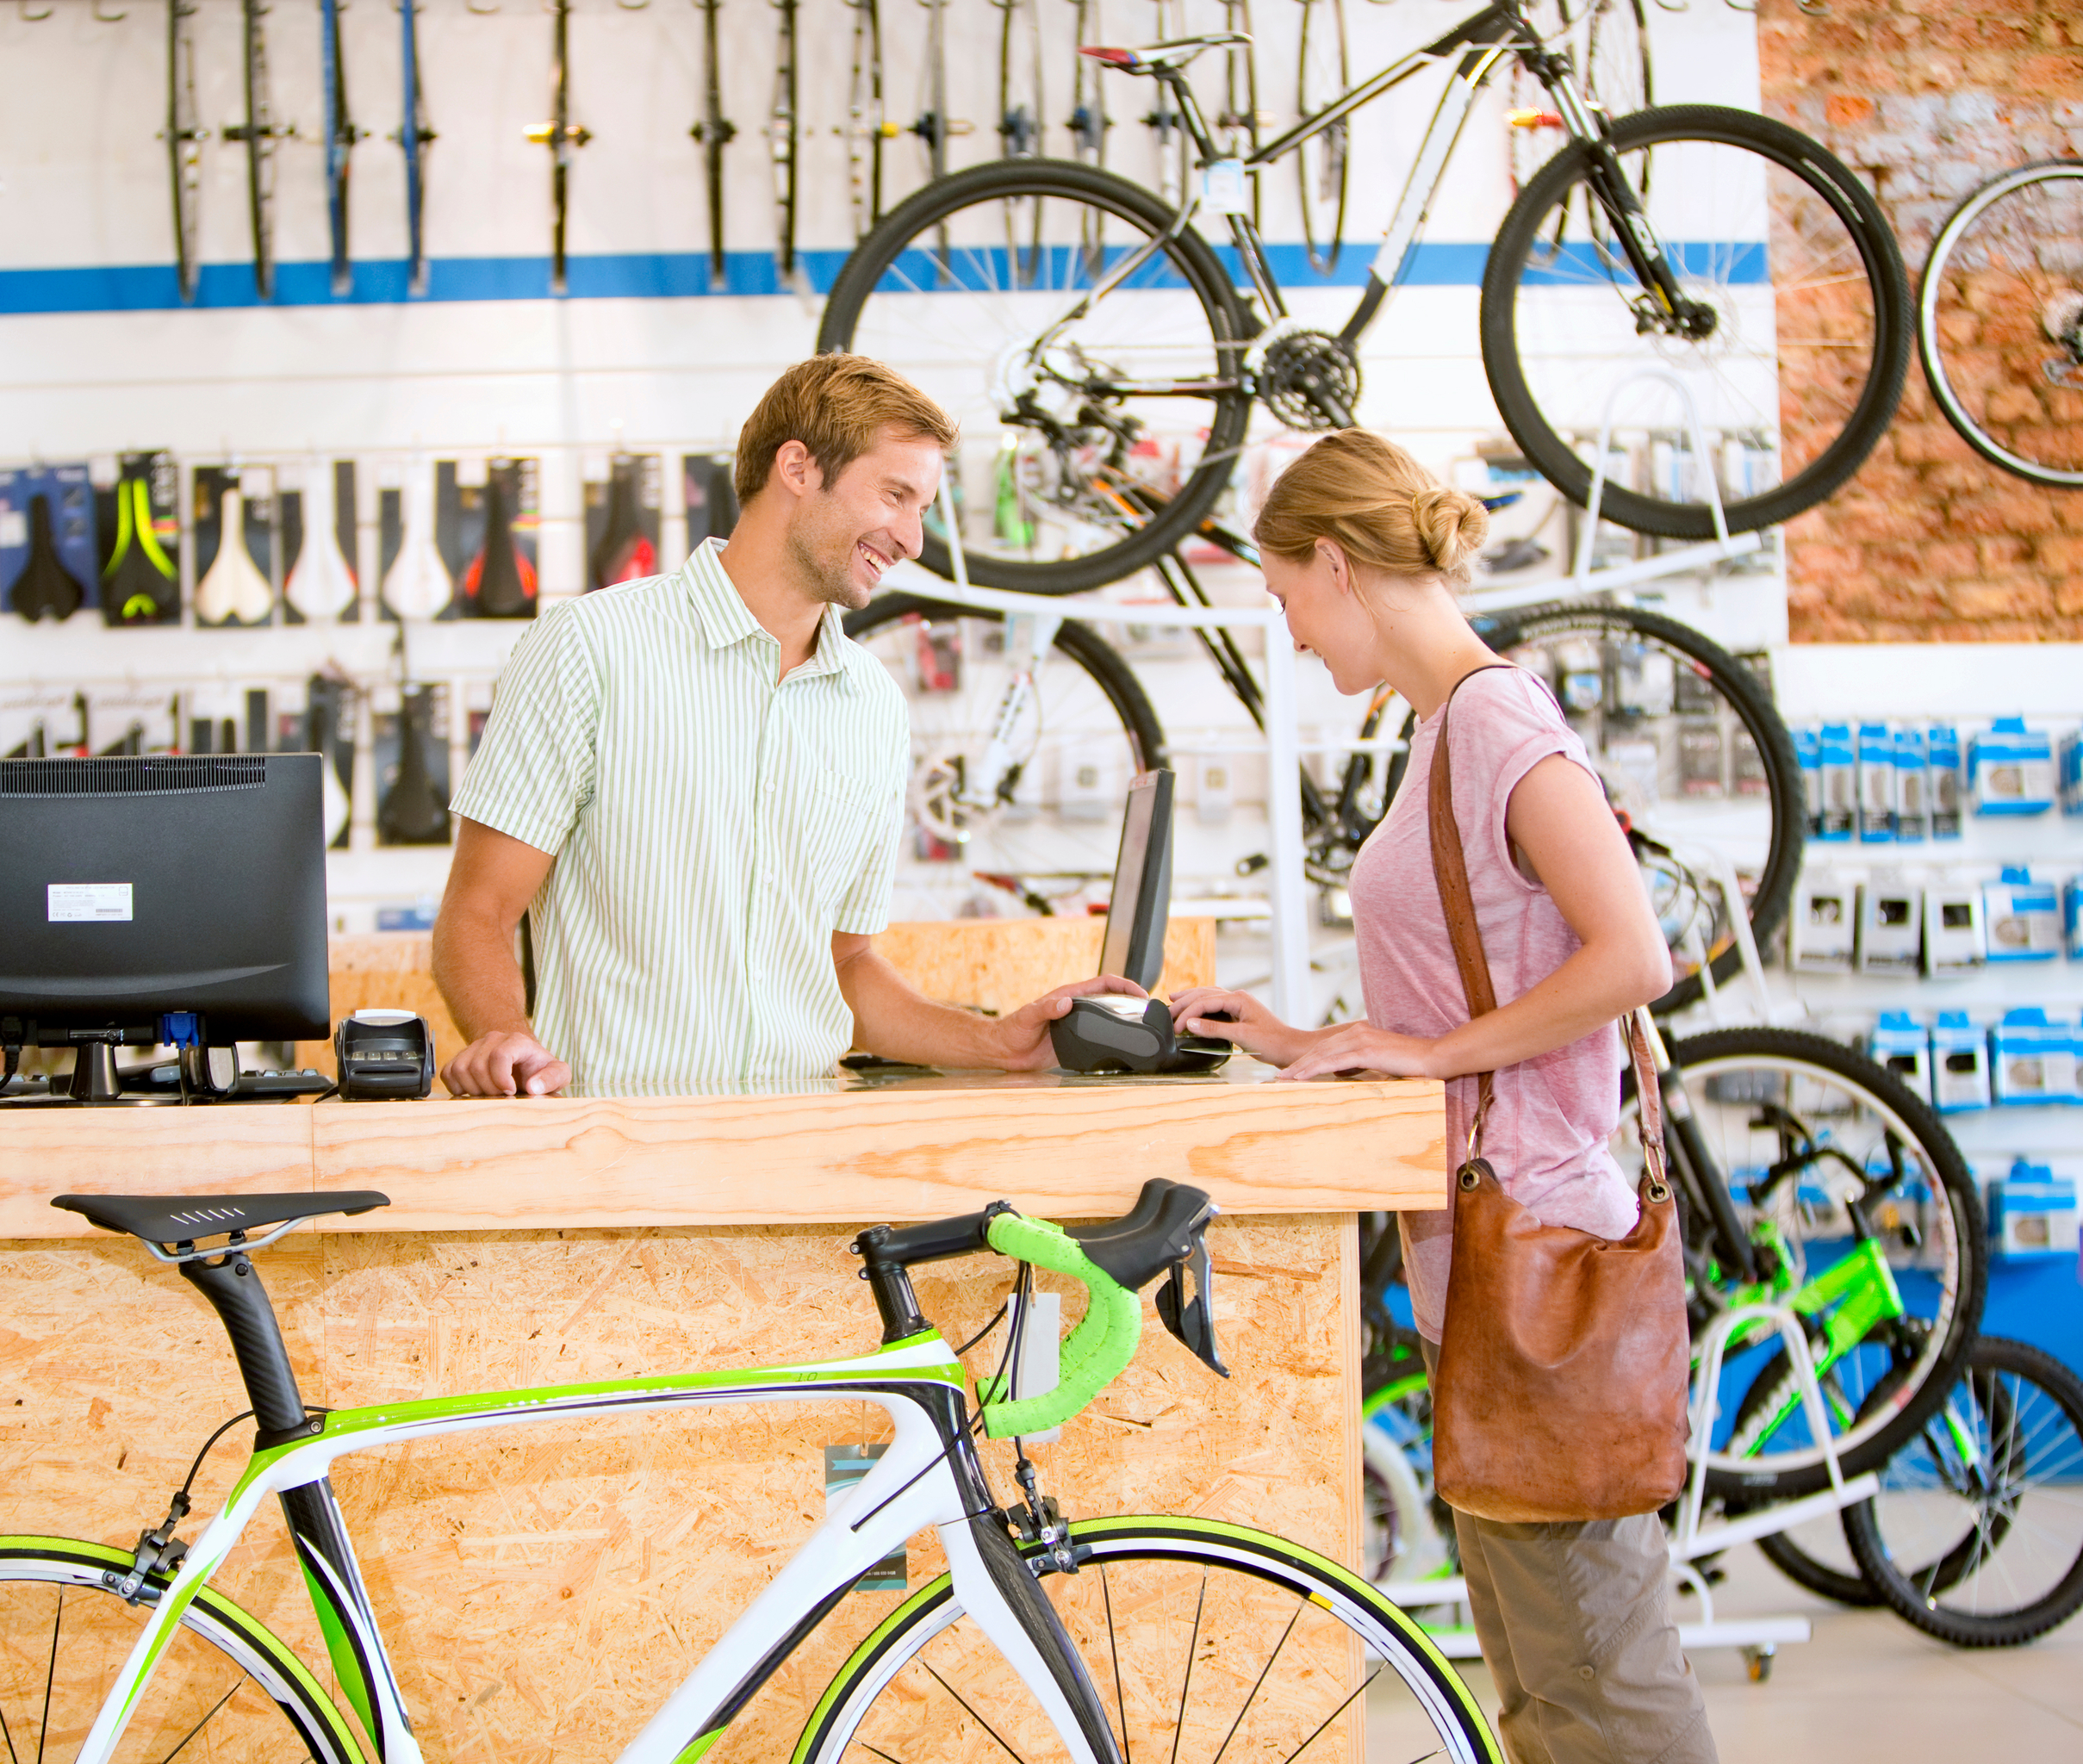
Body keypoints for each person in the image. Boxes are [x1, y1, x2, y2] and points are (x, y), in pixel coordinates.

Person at [1169, 429, 1717, 1764]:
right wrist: (1315, 1038)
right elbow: (1468, 979)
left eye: (1285, 595)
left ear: (1337, 565)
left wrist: (1433, 1056)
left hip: (1541, 1247)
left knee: (1600, 1675)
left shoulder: (1497, 720)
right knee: (1539, 1685)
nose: (1290, 634)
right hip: (1480, 1259)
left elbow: (1631, 954)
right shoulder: (1437, 733)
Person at [432, 353, 1142, 1096]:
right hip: (617, 1149)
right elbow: (478, 912)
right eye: (896, 495)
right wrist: (501, 1036)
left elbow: (843, 965)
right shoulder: (591, 647)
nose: (912, 539)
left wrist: (1001, 1044)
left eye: (922, 508)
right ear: (798, 467)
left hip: (801, 1150)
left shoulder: (873, 704)